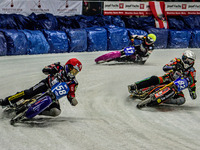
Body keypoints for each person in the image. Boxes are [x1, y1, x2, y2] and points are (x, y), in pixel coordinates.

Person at [0, 58, 82, 116]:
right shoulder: (59, 66)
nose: (72, 73)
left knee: (56, 111)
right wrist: (50, 70)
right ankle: (6, 101)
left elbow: (71, 93)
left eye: (75, 72)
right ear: (68, 65)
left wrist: (72, 99)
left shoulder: (73, 82)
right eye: (72, 69)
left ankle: (36, 111)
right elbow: (45, 69)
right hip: (45, 85)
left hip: (54, 96)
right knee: (29, 93)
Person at [128, 50, 197, 105]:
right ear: (183, 58)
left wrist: (193, 92)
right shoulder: (177, 61)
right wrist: (174, 67)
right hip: (167, 78)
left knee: (181, 100)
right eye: (187, 60)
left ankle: (162, 99)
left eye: (190, 61)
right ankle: (135, 86)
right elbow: (165, 68)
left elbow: (192, 82)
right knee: (154, 79)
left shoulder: (192, 71)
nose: (187, 62)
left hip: (176, 86)